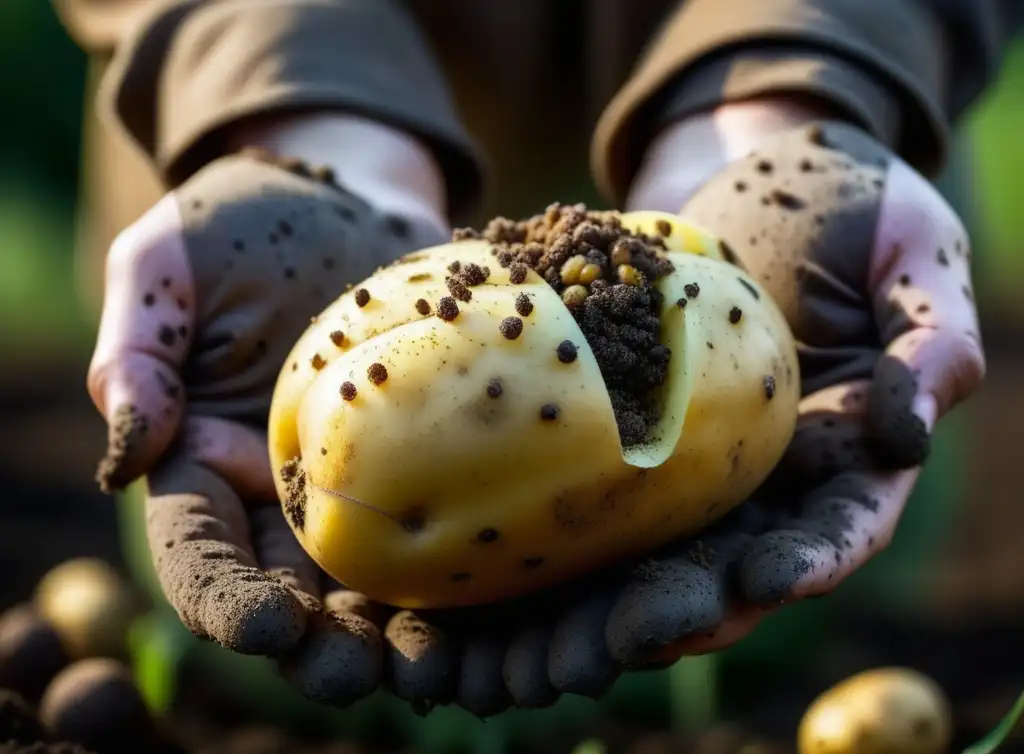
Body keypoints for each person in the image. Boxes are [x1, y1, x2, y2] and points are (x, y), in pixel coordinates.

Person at [50, 0, 1016, 716]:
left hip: (796, 253)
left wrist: (802, 83)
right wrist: (281, 102)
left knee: (792, 654)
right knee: (268, 671)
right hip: (280, 250)